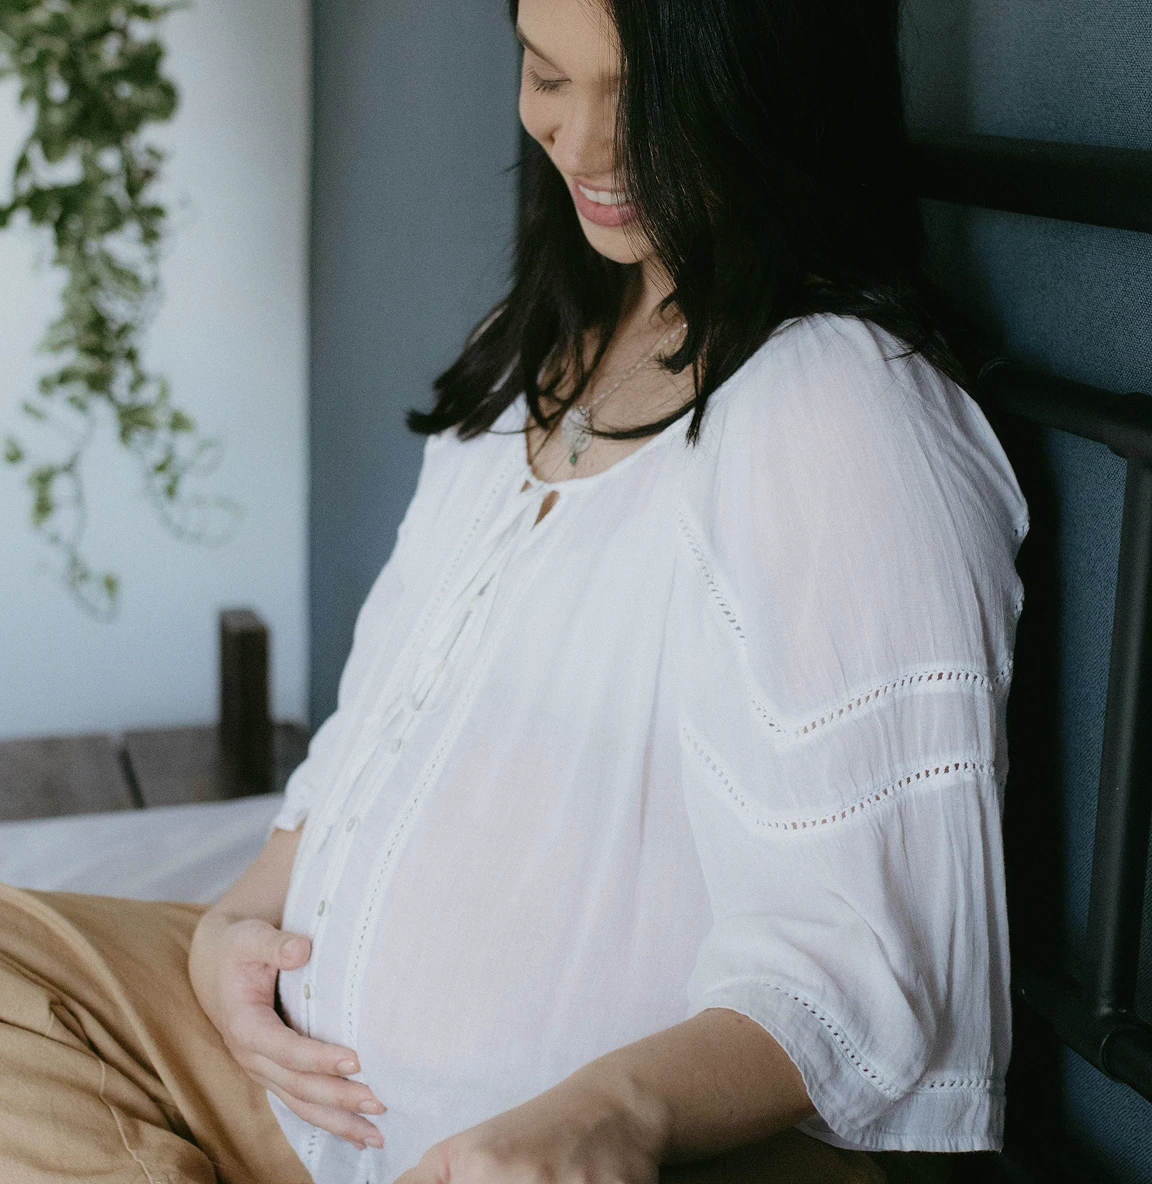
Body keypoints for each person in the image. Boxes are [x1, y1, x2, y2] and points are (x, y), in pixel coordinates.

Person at [0, 0, 1028, 1182]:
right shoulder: (533, 344)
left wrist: (610, 1114)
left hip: (536, 1147)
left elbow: (871, 959)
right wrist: (237, 918)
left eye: (640, 97)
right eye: (547, 74)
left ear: (766, 85)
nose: (582, 144)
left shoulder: (837, 407)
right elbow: (380, 716)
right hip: (293, 1082)